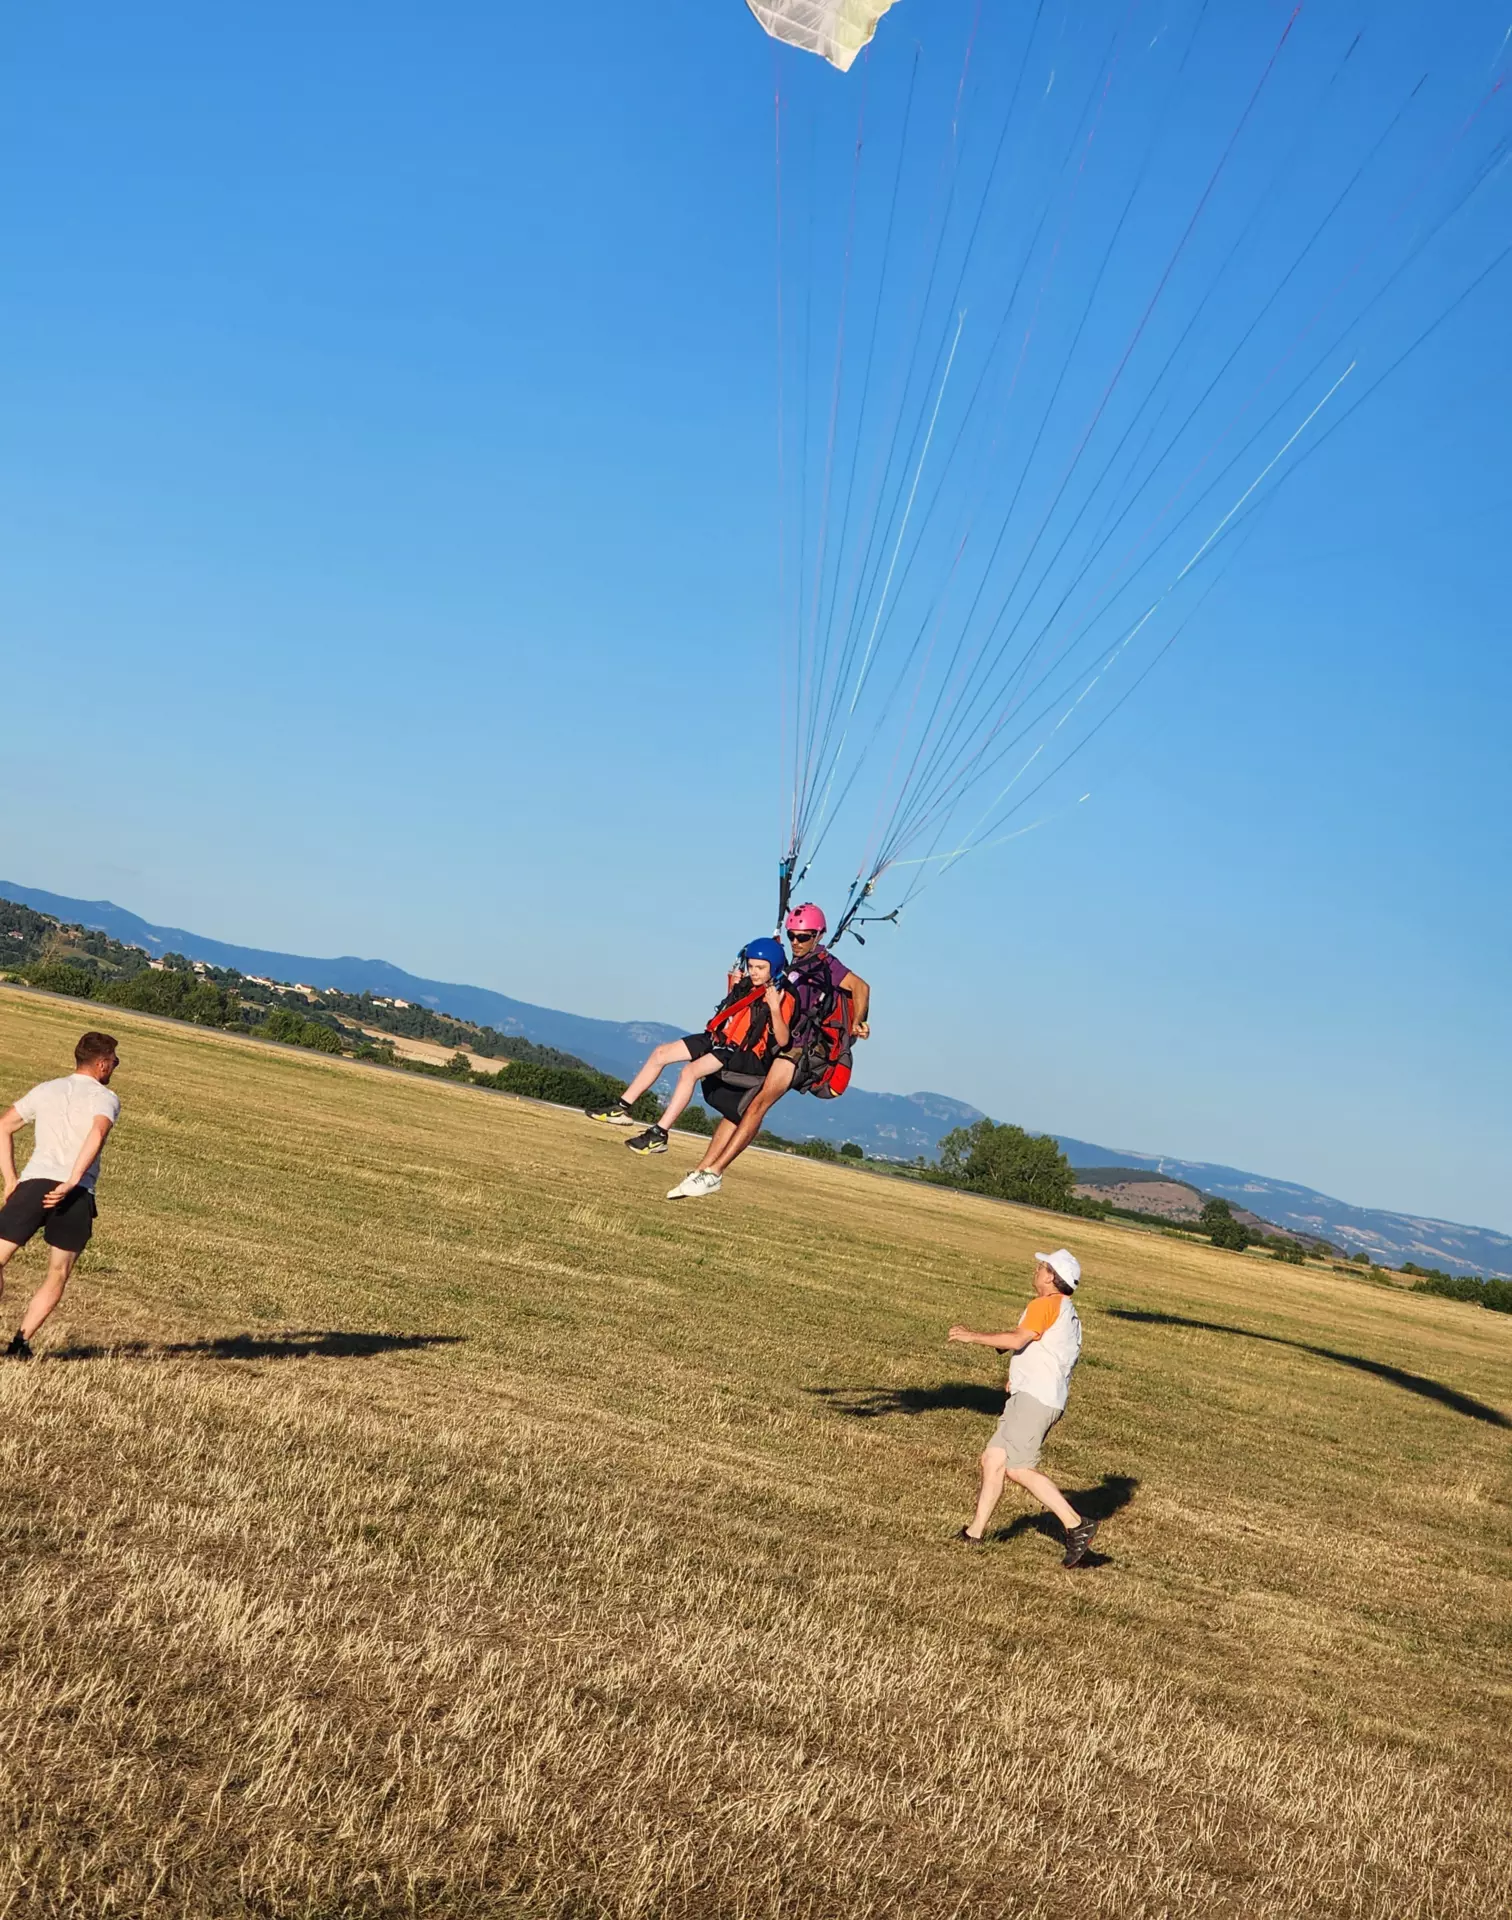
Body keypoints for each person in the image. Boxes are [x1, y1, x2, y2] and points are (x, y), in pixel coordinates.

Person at [666, 903, 870, 1201]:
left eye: (803, 937)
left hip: (798, 1049)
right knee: (738, 1110)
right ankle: (701, 1171)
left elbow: (861, 987)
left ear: (818, 935)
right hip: (775, 1045)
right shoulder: (791, 964)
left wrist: (858, 1021)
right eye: (792, 936)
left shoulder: (827, 964)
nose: (796, 942)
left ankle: (716, 1172)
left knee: (758, 1105)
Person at [947, 1248, 1098, 1568]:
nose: (1036, 1270)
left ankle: (1076, 1525)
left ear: (1051, 1277)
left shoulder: (1045, 1304)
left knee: (1018, 1468)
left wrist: (972, 1336)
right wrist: (1016, 1372)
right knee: (993, 1459)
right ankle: (974, 1534)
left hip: (1035, 1399)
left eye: (1042, 1267)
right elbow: (1036, 1346)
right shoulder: (1065, 1310)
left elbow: (1017, 1340)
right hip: (1035, 1396)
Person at [586, 940, 792, 1155]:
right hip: (718, 1039)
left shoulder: (781, 996)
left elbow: (783, 1040)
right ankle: (620, 1108)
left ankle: (659, 1134)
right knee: (660, 1053)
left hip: (742, 1054)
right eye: (751, 966)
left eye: (761, 968)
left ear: (774, 968)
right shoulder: (747, 986)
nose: (754, 972)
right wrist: (735, 987)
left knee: (689, 1072)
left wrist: (775, 1008)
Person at [0, 1031, 122, 1360]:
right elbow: (98, 1132)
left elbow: (3, 1126)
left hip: (34, 1184)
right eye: (115, 1061)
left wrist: (11, 1180)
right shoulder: (105, 1097)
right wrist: (72, 1181)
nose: (115, 1066)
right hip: (76, 1192)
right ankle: (20, 1343)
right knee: (58, 1272)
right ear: (102, 1063)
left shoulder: (47, 1089)